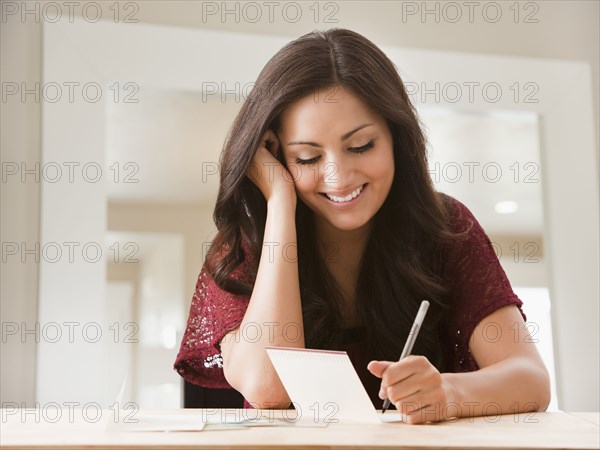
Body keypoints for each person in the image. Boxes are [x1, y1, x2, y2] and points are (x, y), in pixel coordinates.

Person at [174, 28, 550, 424]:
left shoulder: (446, 228)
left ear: (396, 137)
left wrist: (448, 392)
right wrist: (280, 201)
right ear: (275, 155)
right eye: (306, 158)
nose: (338, 176)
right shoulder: (243, 246)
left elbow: (531, 380)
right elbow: (268, 388)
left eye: (360, 146)